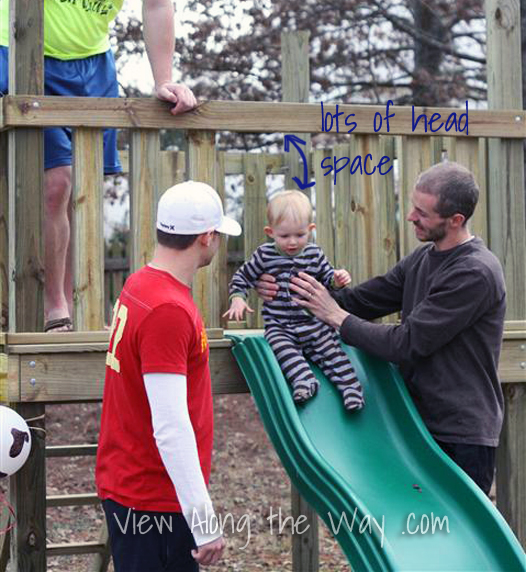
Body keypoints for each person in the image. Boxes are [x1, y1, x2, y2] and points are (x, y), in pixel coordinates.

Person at [257, 162, 506, 496]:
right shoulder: (421, 259)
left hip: (459, 434)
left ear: (456, 220)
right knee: (413, 533)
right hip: (414, 423)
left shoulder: (474, 272)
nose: (410, 217)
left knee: (449, 540)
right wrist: (288, 287)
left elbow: (406, 343)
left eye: (422, 212)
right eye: (413, 206)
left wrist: (335, 316)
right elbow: (360, 300)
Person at [0, 0, 197, 332]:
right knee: (57, 181)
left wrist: (164, 80)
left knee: (84, 186)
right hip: (20, 45)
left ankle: (78, 306)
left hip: (91, 62)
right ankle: (55, 307)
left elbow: (157, 5)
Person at [96, 181, 241, 571]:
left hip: (134, 484)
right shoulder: (168, 309)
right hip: (154, 499)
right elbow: (171, 427)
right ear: (206, 237)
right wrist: (204, 520)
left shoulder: (139, 283)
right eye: (218, 236)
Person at [224, 190, 364, 411]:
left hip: (313, 324)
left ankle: (350, 388)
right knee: (283, 350)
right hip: (280, 326)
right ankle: (305, 382)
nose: (292, 242)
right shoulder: (264, 256)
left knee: (332, 351)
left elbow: (328, 279)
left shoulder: (314, 254)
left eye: (299, 235)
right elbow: (242, 276)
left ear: (310, 230)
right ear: (271, 232)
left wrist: (338, 279)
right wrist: (238, 299)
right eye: (284, 236)